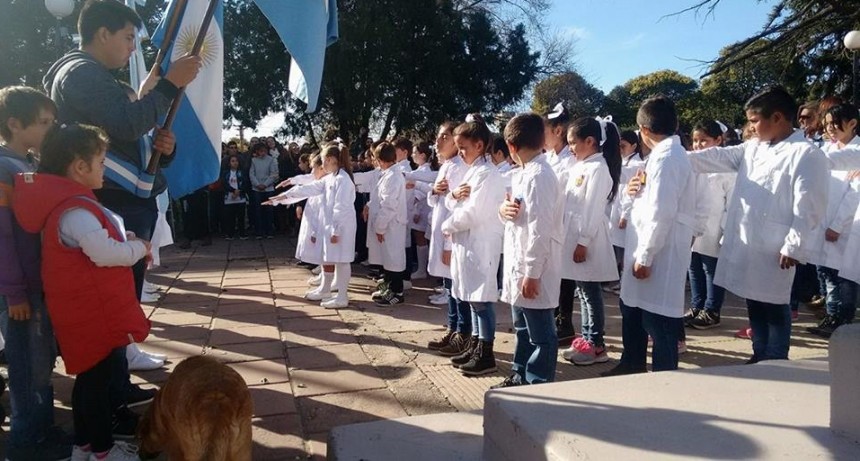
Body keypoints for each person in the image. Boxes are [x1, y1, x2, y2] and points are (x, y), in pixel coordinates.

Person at [43, 0, 200, 420]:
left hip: (120, 197)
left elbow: (129, 135)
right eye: (128, 38)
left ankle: (116, 387)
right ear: (102, 34)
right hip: (111, 199)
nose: (132, 47)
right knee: (109, 306)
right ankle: (106, 405)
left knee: (118, 302)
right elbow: (128, 123)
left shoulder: (92, 75)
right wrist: (169, 84)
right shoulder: (79, 74)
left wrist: (163, 150)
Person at [12, 123, 150, 461]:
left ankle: (84, 446)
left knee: (90, 381)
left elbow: (95, 242)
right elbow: (102, 253)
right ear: (79, 167)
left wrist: (124, 238)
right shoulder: (74, 209)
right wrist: (138, 249)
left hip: (82, 312)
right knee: (96, 386)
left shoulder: (69, 206)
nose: (105, 169)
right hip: (91, 314)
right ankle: (103, 450)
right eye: (101, 161)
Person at [685, 86, 829, 364]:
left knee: (775, 305)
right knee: (754, 301)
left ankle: (775, 359)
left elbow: (810, 206)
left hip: (777, 248)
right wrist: (672, 158)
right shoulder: (753, 148)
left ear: (777, 118)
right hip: (749, 241)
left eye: (754, 121)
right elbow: (716, 157)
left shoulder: (806, 154)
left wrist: (794, 244)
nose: (750, 128)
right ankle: (759, 353)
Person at [603, 96, 698, 376]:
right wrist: (634, 192)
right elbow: (648, 201)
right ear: (676, 124)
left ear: (642, 130)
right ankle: (631, 363)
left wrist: (645, 256)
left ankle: (664, 378)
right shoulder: (658, 157)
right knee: (632, 310)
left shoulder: (668, 159)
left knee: (660, 322)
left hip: (660, 252)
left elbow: (661, 212)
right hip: (644, 244)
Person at [0, 86, 70, 460]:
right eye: (43, 123)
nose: (49, 129)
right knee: (27, 367)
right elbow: (2, 238)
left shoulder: (25, 164)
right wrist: (14, 293)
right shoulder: (3, 168)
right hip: (19, 291)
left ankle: (42, 428)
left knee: (40, 360)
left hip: (35, 285)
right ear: (14, 123)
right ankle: (26, 440)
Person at [493, 112, 564, 388]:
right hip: (518, 264)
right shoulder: (522, 174)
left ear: (510, 146)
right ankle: (520, 373)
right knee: (522, 327)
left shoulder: (540, 176)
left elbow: (540, 229)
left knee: (541, 333)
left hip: (535, 269)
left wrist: (532, 273)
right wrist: (502, 211)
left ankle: (538, 382)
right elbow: (513, 211)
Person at [443, 114, 505, 376]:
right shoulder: (473, 172)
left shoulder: (487, 174)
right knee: (470, 297)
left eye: (464, 148)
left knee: (482, 299)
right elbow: (454, 202)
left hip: (480, 242)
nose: (460, 153)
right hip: (466, 242)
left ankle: (486, 351)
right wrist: (453, 199)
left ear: (480, 145)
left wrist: (448, 225)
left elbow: (474, 212)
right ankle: (475, 344)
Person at [559, 117, 622, 365]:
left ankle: (596, 344)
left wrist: (583, 241)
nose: (571, 148)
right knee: (583, 292)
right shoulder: (580, 166)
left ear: (590, 141)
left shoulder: (598, 169)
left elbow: (593, 209)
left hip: (589, 240)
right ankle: (586, 339)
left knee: (590, 292)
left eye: (573, 143)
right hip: (575, 238)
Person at [269, 145, 356, 309]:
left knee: (342, 260)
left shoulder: (343, 180)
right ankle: (325, 289)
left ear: (330, 159)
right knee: (329, 257)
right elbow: (310, 188)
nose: (322, 165)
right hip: (330, 226)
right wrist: (284, 196)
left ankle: (342, 296)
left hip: (341, 227)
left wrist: (336, 230)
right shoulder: (330, 178)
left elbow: (341, 208)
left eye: (323, 161)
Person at [806, 103, 860, 338]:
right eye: (826, 124)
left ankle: (843, 320)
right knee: (827, 274)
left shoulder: (856, 154)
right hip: (823, 224)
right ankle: (831, 316)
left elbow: (854, 196)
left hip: (845, 229)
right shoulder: (827, 150)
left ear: (852, 124)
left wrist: (837, 226)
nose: (830, 129)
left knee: (845, 277)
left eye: (834, 124)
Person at [425, 122, 473, 356]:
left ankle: (462, 333)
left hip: (452, 236)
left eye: (445, 136)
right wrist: (434, 191)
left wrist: (448, 243)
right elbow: (437, 201)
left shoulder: (461, 167)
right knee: (449, 285)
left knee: (457, 287)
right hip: (441, 230)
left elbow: (458, 208)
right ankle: (453, 329)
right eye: (439, 135)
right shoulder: (446, 166)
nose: (439, 141)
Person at [686, 121, 736, 330]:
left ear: (718, 140)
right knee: (694, 267)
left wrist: (725, 231)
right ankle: (697, 306)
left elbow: (732, 203)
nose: (698, 145)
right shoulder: (693, 165)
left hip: (715, 229)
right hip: (693, 228)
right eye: (695, 140)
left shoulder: (727, 169)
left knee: (711, 270)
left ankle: (712, 310)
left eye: (703, 140)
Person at [368, 142, 409, 306]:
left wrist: (380, 226)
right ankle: (389, 288)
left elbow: (389, 205)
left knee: (394, 258)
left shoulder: (393, 176)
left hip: (392, 224)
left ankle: (397, 292)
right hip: (389, 224)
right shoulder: (389, 174)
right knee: (388, 257)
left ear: (380, 159)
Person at [607, 130, 644, 287]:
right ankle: (617, 279)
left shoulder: (637, 165)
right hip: (615, 212)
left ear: (634, 146)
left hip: (625, 215)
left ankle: (622, 280)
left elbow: (630, 194)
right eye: (618, 146)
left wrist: (625, 215)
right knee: (616, 247)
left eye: (623, 146)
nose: (620, 149)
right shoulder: (624, 162)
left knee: (624, 250)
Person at [406, 141, 438, 280]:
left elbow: (421, 194)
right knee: (420, 238)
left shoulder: (425, 171)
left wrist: (416, 212)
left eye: (414, 153)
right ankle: (422, 267)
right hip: (419, 209)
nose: (412, 155)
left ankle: (422, 269)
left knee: (421, 239)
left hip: (422, 210)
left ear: (423, 155)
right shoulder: (420, 170)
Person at [249, 142, 278, 239]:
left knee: (269, 211)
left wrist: (265, 184)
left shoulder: (271, 160)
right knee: (258, 211)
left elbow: (273, 174)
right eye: (261, 151)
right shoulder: (253, 160)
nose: (263, 153)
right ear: (257, 151)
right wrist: (257, 184)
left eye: (264, 151)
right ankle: (259, 231)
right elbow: (251, 174)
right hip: (256, 189)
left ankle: (269, 231)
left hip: (268, 189)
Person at [221, 154, 250, 240]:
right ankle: (230, 234)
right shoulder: (225, 173)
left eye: (236, 161)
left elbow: (246, 183)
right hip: (229, 197)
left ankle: (242, 233)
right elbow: (224, 183)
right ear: (229, 163)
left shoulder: (243, 172)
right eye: (233, 161)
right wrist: (233, 190)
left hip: (240, 197)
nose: (235, 163)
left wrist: (239, 190)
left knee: (241, 216)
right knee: (230, 217)